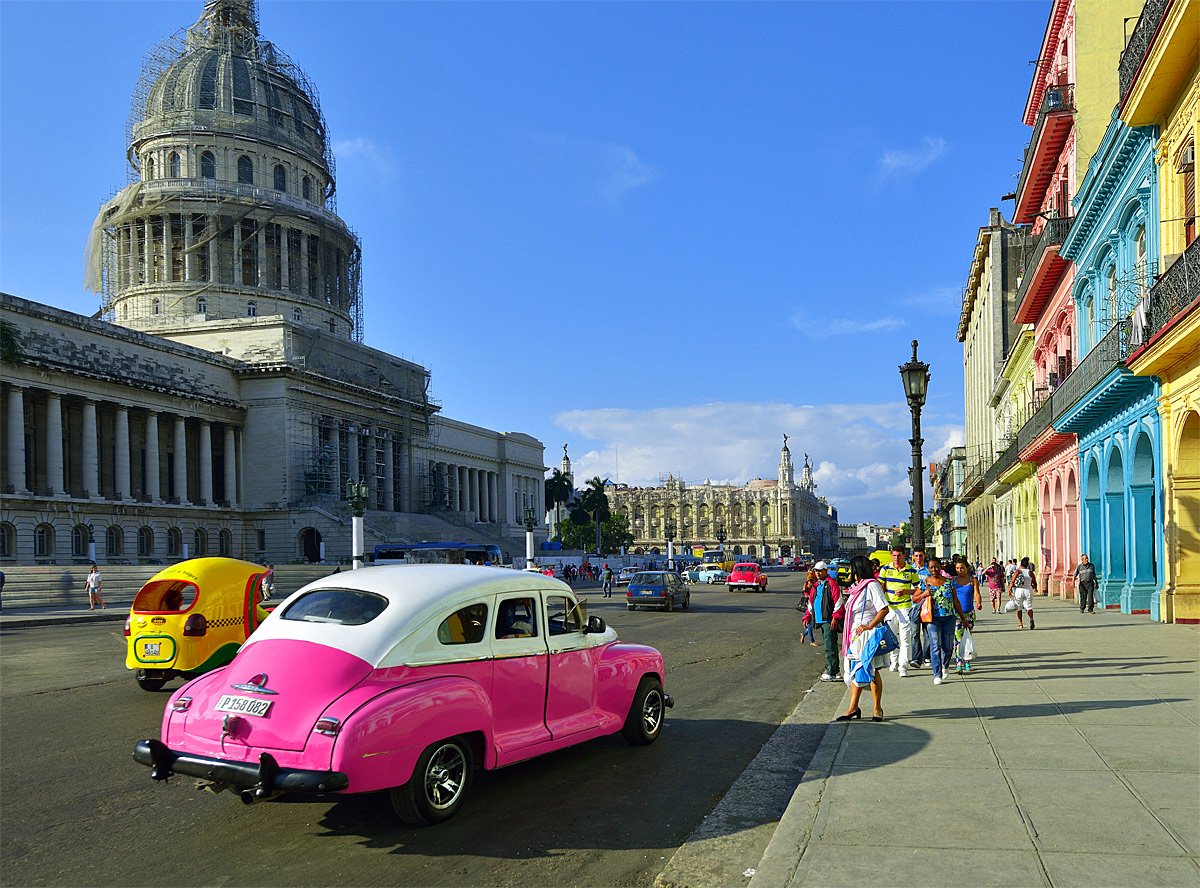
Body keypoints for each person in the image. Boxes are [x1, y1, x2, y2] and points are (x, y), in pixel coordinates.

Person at [836, 555, 890, 722]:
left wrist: (869, 626)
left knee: (872, 670)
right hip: (854, 637)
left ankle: (877, 708)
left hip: (867, 636)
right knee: (854, 671)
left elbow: (884, 609)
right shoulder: (856, 588)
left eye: (852, 569)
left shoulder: (872, 585)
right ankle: (853, 707)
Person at [911, 557, 963, 685]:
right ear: (928, 569)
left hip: (949, 617)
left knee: (948, 646)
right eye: (931, 567)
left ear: (941, 567)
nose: (934, 569)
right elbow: (915, 599)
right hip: (932, 619)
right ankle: (937, 674)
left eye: (936, 566)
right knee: (935, 646)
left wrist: (962, 617)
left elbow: (955, 600)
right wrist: (924, 594)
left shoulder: (949, 582)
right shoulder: (925, 583)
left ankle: (945, 665)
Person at [878, 544, 920, 677]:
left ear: (904, 556)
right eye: (894, 555)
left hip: (905, 607)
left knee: (905, 638)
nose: (896, 558)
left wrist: (906, 591)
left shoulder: (911, 571)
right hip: (890, 608)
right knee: (892, 637)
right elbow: (880, 586)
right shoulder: (885, 569)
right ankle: (894, 661)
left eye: (899, 556)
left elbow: (918, 589)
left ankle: (903, 665)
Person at [812, 562, 843, 680]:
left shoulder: (831, 584)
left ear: (826, 571)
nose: (818, 573)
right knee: (828, 645)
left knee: (830, 646)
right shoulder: (817, 585)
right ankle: (832, 669)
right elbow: (811, 602)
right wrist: (808, 617)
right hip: (821, 620)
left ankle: (832, 671)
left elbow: (838, 602)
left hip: (829, 620)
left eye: (820, 571)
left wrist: (835, 617)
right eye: (816, 571)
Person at [951, 557, 982, 673]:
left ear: (967, 568)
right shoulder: (953, 581)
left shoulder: (972, 580)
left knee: (967, 638)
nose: (960, 570)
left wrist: (979, 602)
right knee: (958, 639)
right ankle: (959, 663)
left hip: (970, 614)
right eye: (957, 568)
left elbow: (977, 593)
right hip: (957, 615)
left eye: (962, 568)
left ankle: (967, 662)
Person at [910, 548, 930, 668]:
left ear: (924, 556)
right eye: (916, 556)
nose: (918, 558)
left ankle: (926, 656)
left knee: (927, 633)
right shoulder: (910, 569)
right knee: (914, 633)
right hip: (913, 606)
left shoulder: (928, 570)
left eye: (920, 556)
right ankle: (916, 658)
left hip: (927, 605)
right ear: (913, 557)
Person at [1007, 556, 1037, 629]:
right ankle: (1031, 618)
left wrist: (1009, 590)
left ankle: (1020, 623)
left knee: (1019, 607)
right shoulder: (1030, 572)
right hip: (1028, 590)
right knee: (1029, 606)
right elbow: (1034, 582)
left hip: (1019, 591)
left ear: (1020, 564)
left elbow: (1012, 581)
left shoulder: (1018, 571)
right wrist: (1035, 588)